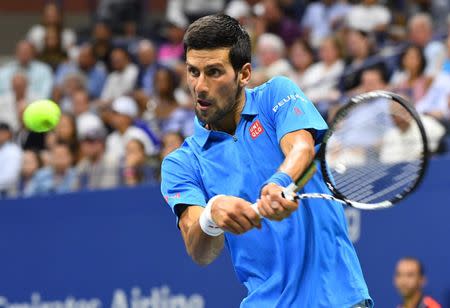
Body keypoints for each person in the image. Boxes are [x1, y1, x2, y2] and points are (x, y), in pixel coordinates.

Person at [160, 14, 371, 307]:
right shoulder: (181, 163)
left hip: (336, 298)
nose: (200, 86)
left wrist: (280, 182)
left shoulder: (277, 94)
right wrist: (211, 215)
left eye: (214, 72)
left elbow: (301, 148)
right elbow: (199, 250)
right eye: (193, 72)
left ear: (244, 74)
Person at [0, 123, 23, 198]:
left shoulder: (14, 150)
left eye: (2, 132)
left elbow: (10, 177)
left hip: (8, 194)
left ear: (8, 134)